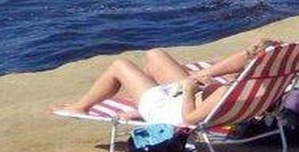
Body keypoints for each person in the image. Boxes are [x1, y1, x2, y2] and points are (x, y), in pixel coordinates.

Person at [55, 38, 282, 127]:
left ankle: (82, 106)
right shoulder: (271, 84)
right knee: (155, 55)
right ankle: (141, 105)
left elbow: (189, 118)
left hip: (170, 109)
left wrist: (190, 92)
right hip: (185, 99)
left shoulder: (226, 91)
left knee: (120, 66)